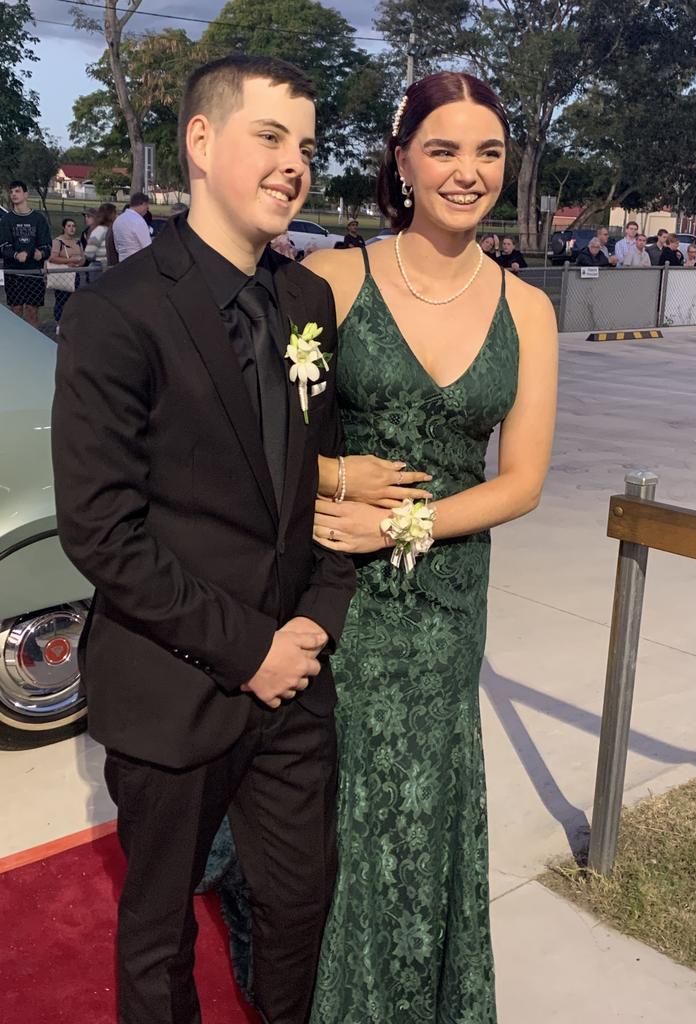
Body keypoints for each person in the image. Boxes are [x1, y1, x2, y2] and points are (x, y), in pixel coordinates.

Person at [51, 53, 356, 1024]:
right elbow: (102, 529)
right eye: (271, 137)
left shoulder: (307, 303)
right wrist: (247, 648)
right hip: (175, 682)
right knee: (158, 938)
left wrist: (315, 622)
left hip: (295, 680)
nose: (293, 164)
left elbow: (325, 482)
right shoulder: (116, 312)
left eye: (305, 146)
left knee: (302, 903)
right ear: (201, 139)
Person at [301, 70, 554, 1023]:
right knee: (343, 810)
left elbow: (522, 480)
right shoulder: (332, 280)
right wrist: (338, 481)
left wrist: (401, 522)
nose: (467, 172)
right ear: (401, 160)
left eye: (488, 152)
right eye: (443, 150)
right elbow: (260, 441)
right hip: (339, 591)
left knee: (424, 806)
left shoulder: (526, 309)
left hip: (447, 602)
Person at [0, 179, 52, 327]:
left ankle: (33, 345)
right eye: (11, 192)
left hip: (33, 273)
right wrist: (16, 255)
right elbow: (3, 247)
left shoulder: (38, 219)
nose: (13, 194)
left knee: (32, 311)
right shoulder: (6, 220)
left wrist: (41, 254)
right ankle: (16, 347)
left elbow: (47, 246)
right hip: (14, 274)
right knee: (15, 311)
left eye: (17, 191)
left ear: (26, 194)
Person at [48, 217, 85, 330]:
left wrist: (78, 264)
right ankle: (60, 324)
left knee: (73, 300)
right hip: (63, 274)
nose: (72, 228)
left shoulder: (77, 242)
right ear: (64, 228)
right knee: (62, 299)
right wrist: (69, 261)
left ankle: (71, 322)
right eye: (69, 226)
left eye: (73, 226)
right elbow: (52, 258)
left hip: (75, 274)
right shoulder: (58, 241)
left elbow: (83, 258)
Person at [111, 191, 153, 261]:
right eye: (147, 207)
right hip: (138, 262)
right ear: (143, 204)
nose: (147, 209)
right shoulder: (139, 221)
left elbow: (117, 247)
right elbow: (147, 247)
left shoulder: (118, 220)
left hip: (122, 261)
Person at [83, 202, 116, 270]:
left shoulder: (111, 229)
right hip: (99, 267)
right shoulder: (100, 230)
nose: (116, 216)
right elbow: (89, 253)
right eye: (115, 213)